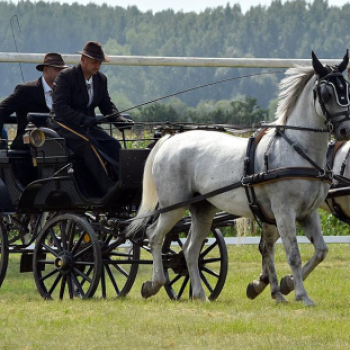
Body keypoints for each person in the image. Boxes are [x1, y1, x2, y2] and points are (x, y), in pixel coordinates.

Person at [52, 41, 132, 195]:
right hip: (63, 124)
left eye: (100, 63)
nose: (98, 66)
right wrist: (83, 119)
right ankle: (107, 189)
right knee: (89, 144)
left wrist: (119, 120)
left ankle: (124, 182)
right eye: (95, 62)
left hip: (87, 126)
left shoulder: (100, 79)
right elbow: (60, 108)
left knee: (113, 144)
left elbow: (106, 105)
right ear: (83, 60)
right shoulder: (66, 76)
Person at [0, 52, 68, 150]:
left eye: (63, 70)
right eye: (57, 69)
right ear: (46, 70)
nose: (61, 73)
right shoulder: (26, 91)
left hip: (58, 147)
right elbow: (2, 109)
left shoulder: (65, 93)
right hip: (28, 146)